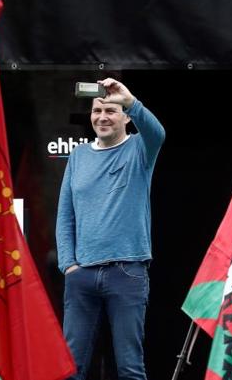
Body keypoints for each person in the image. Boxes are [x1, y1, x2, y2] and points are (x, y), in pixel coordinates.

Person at [56, 77, 165, 380]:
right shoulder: (78, 156)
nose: (102, 117)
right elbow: (65, 214)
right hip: (82, 275)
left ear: (127, 117)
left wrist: (129, 99)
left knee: (130, 368)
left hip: (127, 272)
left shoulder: (140, 149)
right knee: (71, 368)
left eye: (112, 110)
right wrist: (69, 265)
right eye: (96, 111)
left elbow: (158, 132)